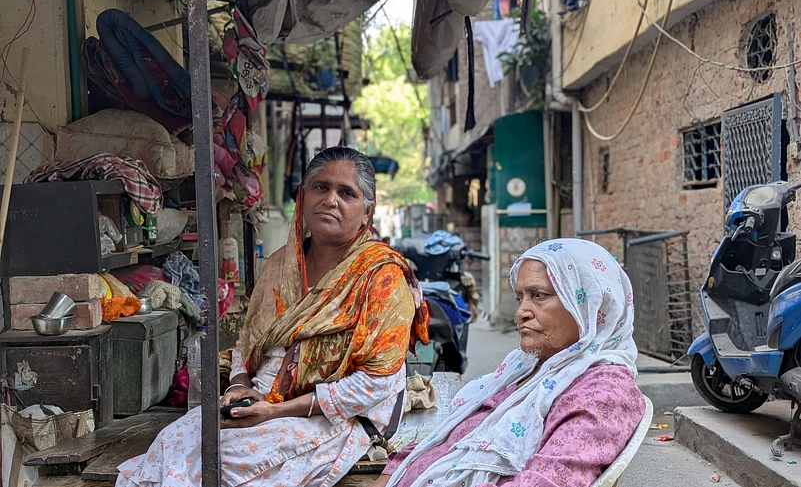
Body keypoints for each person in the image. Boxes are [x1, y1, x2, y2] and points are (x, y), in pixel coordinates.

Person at [116, 147, 429, 487]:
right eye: (320, 187)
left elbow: (377, 383)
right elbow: (249, 343)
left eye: (346, 193)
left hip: (338, 413)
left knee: (224, 465)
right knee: (169, 446)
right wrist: (239, 386)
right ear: (303, 195)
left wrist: (276, 410)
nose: (330, 200)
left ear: (367, 211)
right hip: (262, 401)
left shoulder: (382, 277)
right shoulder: (281, 266)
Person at [371, 239, 645, 487]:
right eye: (520, 297)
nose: (521, 312)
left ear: (591, 303)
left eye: (539, 295)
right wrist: (392, 472)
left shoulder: (604, 393)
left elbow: (549, 481)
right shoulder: (527, 368)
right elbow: (452, 439)